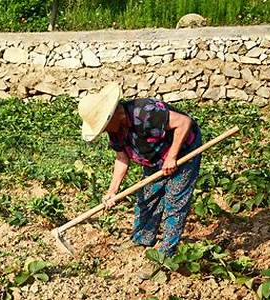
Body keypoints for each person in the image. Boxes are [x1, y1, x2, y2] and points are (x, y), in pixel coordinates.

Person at [77, 82, 202, 279]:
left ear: (113, 115)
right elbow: (122, 159)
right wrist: (112, 191)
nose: (103, 130)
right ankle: (142, 238)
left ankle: (164, 256)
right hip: (154, 156)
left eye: (103, 125)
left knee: (175, 203)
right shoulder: (116, 130)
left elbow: (184, 122)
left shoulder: (146, 113)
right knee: (148, 197)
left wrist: (172, 157)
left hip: (183, 150)